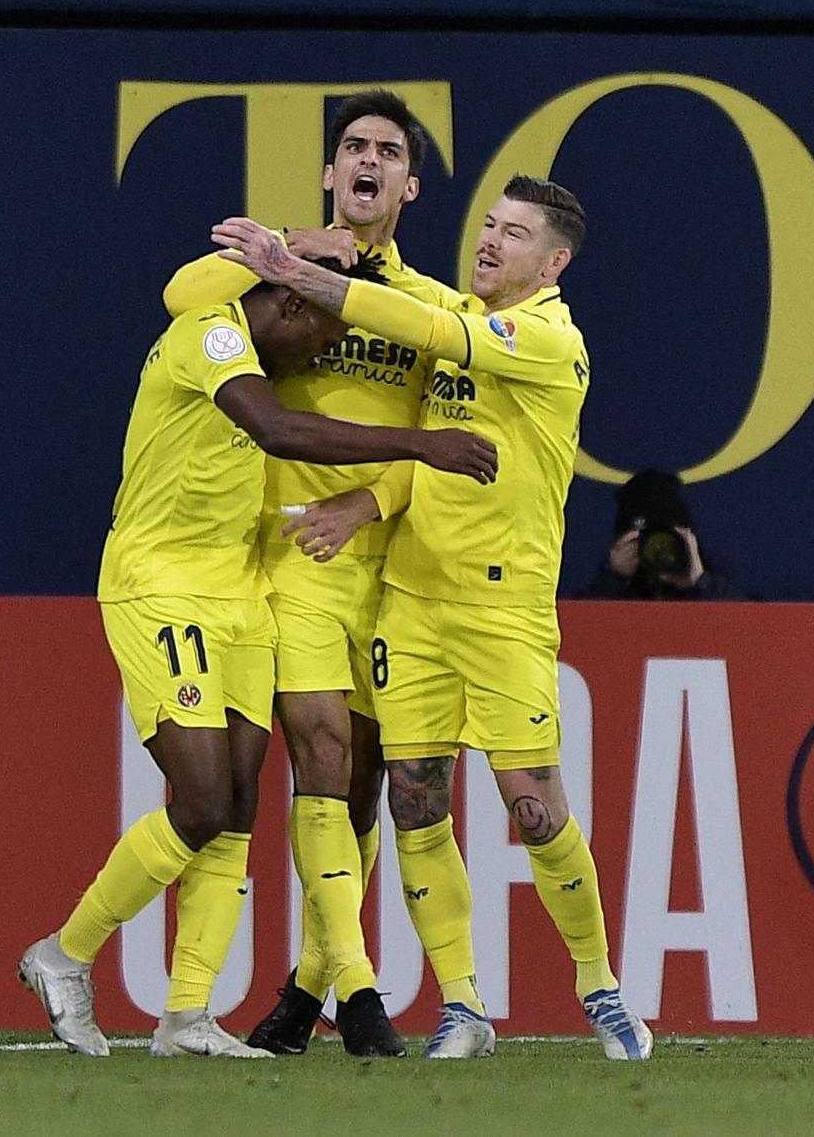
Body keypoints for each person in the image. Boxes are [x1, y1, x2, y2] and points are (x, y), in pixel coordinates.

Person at [211, 175, 655, 1061]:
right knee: (415, 802)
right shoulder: (459, 321)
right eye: (488, 225)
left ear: (554, 260)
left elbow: (427, 325)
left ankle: (601, 987)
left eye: (515, 234)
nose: (491, 240)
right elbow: (426, 442)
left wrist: (295, 270)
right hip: (412, 602)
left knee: (534, 810)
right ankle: (464, 1005)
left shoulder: (545, 339)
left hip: (503, 610)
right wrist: (369, 507)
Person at [18, 279, 497, 1060]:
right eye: (319, 340)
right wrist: (418, 444)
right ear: (289, 309)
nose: (319, 357)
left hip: (239, 589)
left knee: (238, 800)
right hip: (161, 584)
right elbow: (274, 429)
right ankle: (64, 954)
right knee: (201, 800)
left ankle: (186, 1013)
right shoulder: (211, 333)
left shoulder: (264, 345)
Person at [160, 89, 462, 1057]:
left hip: (388, 564)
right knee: (322, 752)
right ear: (332, 173)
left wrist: (366, 504)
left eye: (386, 150)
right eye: (351, 147)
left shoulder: (430, 308)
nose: (367, 160)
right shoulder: (273, 269)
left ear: (408, 184)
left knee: (363, 782)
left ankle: (303, 990)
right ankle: (365, 996)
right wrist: (283, 251)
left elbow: (443, 444)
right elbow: (177, 297)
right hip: (292, 553)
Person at [577, 468, 748, 600]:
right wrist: (614, 580)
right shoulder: (606, 592)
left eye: (668, 540)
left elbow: (750, 631)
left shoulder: (722, 594)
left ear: (688, 541)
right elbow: (576, 632)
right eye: (644, 540)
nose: (658, 550)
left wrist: (699, 583)